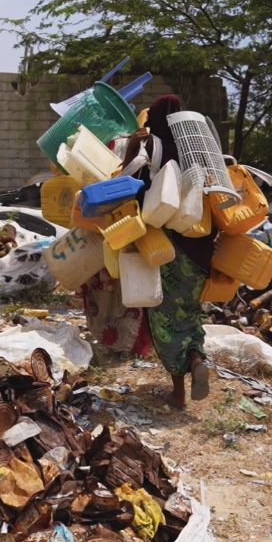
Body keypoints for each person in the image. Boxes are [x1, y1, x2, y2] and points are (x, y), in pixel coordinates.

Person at [80, 94, 210, 408]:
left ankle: (178, 392)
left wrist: (133, 149)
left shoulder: (152, 145)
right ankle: (196, 358)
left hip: (166, 245)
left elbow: (127, 185)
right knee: (190, 313)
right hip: (201, 246)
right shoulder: (199, 149)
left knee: (165, 318)